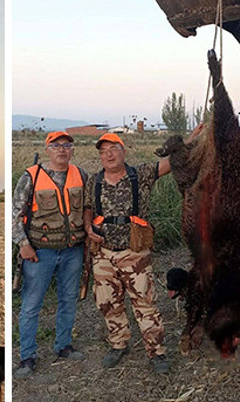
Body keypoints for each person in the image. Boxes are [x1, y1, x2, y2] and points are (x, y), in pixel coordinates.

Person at [82, 131, 178, 373]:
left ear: (124, 151)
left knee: (144, 303)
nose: (109, 155)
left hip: (134, 252)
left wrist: (192, 139)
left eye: (113, 149)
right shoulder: (93, 181)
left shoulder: (142, 174)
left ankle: (156, 353)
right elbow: (86, 208)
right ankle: (118, 344)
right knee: (107, 303)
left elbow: (173, 162)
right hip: (103, 253)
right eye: (103, 152)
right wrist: (87, 227)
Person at [12, 131, 87, 379]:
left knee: (68, 300)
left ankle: (63, 345)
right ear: (47, 150)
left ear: (72, 150)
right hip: (39, 253)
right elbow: (14, 215)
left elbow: (88, 208)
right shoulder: (31, 177)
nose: (62, 150)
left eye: (67, 145)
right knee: (31, 305)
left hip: (72, 250)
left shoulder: (81, 175)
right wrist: (23, 244)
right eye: (56, 146)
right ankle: (27, 357)